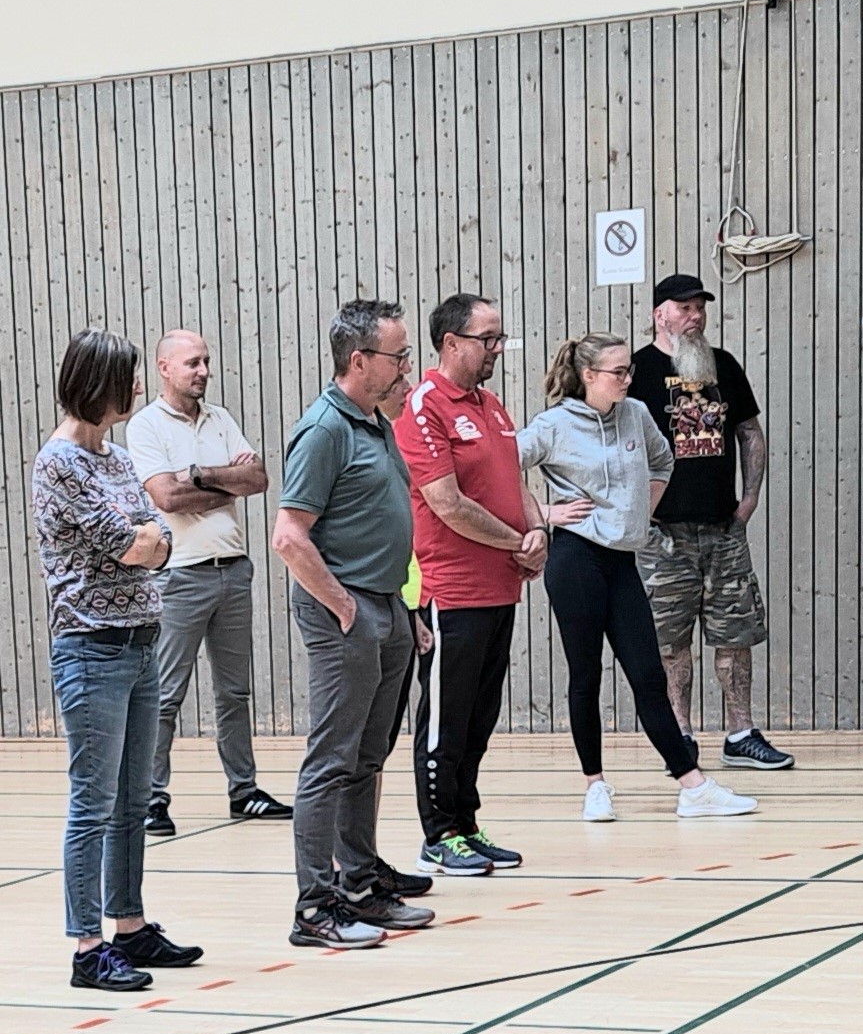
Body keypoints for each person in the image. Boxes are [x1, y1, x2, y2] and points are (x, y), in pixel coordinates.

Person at [519, 335, 757, 820]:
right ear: (589, 376)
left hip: (623, 561)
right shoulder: (553, 424)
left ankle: (692, 786)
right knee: (585, 674)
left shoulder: (636, 414)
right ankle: (595, 786)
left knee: (648, 673)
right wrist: (545, 513)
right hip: (576, 560)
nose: (628, 379)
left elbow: (663, 461)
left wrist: (638, 513)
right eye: (618, 372)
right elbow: (500, 466)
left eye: (629, 370)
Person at [34, 330, 206, 992]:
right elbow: (129, 542)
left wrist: (147, 540)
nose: (137, 389)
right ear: (94, 383)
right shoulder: (60, 462)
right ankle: (86, 946)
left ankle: (129, 927)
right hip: (92, 648)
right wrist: (146, 541)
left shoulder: (116, 456)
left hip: (140, 640)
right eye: (127, 379)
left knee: (133, 801)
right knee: (93, 805)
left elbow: (156, 534)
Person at [272, 298, 436, 949]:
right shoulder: (325, 429)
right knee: (331, 761)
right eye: (398, 356)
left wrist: (402, 613)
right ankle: (314, 909)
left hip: (385, 604)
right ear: (360, 360)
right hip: (346, 609)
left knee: (368, 758)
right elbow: (289, 537)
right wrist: (345, 608)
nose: (407, 367)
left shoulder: (373, 422)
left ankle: (360, 885)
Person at [396, 293, 546, 876]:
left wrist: (537, 533)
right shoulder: (424, 406)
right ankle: (437, 834)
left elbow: (514, 484)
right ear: (451, 342)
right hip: (452, 591)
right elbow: (447, 503)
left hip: (500, 588)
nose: (497, 349)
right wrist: (517, 542)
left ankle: (464, 822)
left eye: (500, 337)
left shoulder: (492, 405)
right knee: (446, 719)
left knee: (480, 716)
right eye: (488, 338)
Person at [124, 329, 287, 832]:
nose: (203, 371)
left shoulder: (221, 419)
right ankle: (151, 798)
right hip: (178, 578)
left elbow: (258, 480)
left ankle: (244, 791)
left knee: (234, 693)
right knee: (165, 693)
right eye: (193, 362)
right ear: (164, 368)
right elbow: (165, 499)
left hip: (232, 570)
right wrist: (221, 484)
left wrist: (193, 474)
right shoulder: (146, 426)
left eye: (207, 362)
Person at [629, 273, 793, 771]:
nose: (696, 315)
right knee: (670, 641)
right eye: (685, 308)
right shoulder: (635, 370)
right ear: (661, 314)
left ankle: (741, 733)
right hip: (663, 535)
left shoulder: (722, 365)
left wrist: (751, 497)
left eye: (700, 307)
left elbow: (749, 432)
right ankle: (680, 735)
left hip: (724, 531)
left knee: (734, 635)